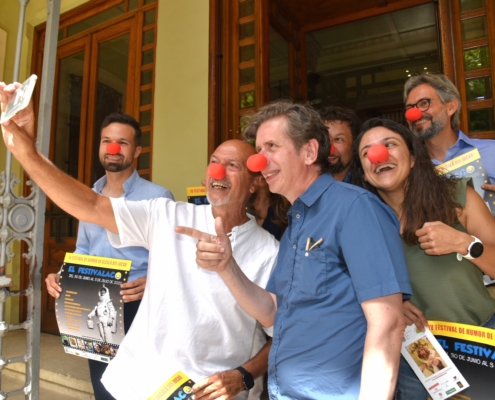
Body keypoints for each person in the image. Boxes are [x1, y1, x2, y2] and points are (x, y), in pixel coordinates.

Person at [0, 82, 279, 400]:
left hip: (210, 392)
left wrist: (243, 376)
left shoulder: (271, 251)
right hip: (140, 382)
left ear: (255, 182)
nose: (219, 171)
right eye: (215, 161)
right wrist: (25, 150)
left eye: (233, 166)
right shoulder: (167, 215)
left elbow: (284, 331)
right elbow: (91, 207)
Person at [177, 100, 412, 399]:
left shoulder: (355, 208)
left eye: (271, 147)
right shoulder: (296, 222)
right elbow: (273, 311)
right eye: (259, 150)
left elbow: (388, 323)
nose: (257, 162)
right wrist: (227, 266)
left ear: (310, 152)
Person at [351, 118, 495, 399]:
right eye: (367, 152)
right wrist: (390, 302)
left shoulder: (454, 196)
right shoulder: (362, 223)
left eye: (389, 144)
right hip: (414, 354)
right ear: (364, 173)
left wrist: (464, 243)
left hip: (478, 340)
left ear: (414, 157)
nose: (378, 155)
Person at [44, 112, 174, 400]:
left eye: (122, 143)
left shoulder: (158, 195)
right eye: (107, 141)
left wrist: (152, 280)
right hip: (94, 298)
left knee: (141, 387)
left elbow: (172, 256)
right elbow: (83, 250)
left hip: (137, 304)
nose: (113, 148)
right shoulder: (89, 196)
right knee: (102, 386)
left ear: (137, 150)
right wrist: (62, 275)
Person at [403, 73, 495, 192]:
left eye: (424, 103)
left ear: (450, 107)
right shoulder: (409, 167)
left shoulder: (492, 151)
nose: (415, 114)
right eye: (410, 108)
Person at [318, 106, 361, 182]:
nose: (330, 149)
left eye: (338, 139)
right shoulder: (303, 185)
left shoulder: (366, 184)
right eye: (324, 139)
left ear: (354, 144)